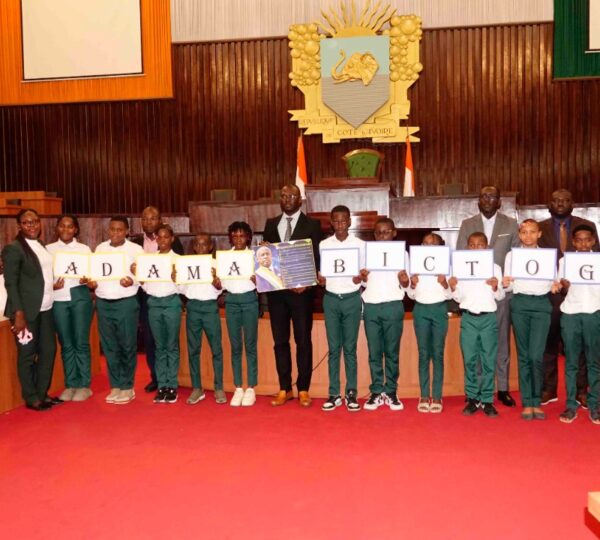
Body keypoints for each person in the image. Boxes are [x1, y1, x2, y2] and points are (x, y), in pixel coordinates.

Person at [456, 186, 519, 407]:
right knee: (476, 348)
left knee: (500, 343)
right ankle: (479, 391)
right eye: (483, 196)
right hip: (474, 292)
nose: (488, 199)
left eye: (492, 196)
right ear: (478, 200)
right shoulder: (467, 224)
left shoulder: (510, 224)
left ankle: (502, 388)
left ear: (499, 201)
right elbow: (460, 255)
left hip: (499, 293)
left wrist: (504, 282)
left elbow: (517, 257)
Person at [537, 188, 599, 407]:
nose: (560, 203)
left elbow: (594, 259)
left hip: (582, 295)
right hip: (550, 293)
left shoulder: (587, 226)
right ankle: (549, 389)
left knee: (580, 346)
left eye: (565, 200)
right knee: (549, 342)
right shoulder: (540, 228)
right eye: (556, 200)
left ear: (573, 203)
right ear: (549, 204)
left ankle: (582, 391)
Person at [262, 184, 322, 407]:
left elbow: (316, 258)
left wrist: (306, 283)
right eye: (284, 195)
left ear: (300, 200)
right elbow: (267, 258)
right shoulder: (270, 224)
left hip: (301, 293)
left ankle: (303, 389)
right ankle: (284, 388)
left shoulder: (312, 225)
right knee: (280, 342)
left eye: (292, 196)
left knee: (303, 340)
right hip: (276, 293)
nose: (287, 199)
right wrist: (263, 251)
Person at [1, 208, 59, 411]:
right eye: (26, 223)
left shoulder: (41, 246)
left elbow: (40, 276)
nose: (31, 225)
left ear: (39, 223)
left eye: (34, 221)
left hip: (46, 308)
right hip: (25, 312)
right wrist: (18, 314)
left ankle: (42, 393)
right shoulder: (13, 249)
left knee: (49, 351)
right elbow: (11, 283)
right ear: (19, 226)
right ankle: (31, 397)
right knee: (27, 354)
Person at [502, 220, 554, 420]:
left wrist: (555, 285)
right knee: (524, 356)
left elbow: (552, 283)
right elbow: (507, 286)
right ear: (519, 234)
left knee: (536, 356)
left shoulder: (547, 256)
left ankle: (537, 399)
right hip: (520, 304)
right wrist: (506, 282)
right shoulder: (511, 256)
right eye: (524, 232)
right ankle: (528, 402)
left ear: (539, 234)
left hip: (541, 305)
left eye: (532, 232)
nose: (528, 236)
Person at [88, 216, 143, 405]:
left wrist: (132, 280)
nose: (116, 233)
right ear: (108, 230)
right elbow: (95, 273)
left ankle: (128, 387)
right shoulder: (100, 248)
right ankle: (116, 386)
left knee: (127, 345)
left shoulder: (136, 250)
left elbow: (142, 274)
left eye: (120, 230)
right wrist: (92, 282)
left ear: (127, 231)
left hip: (126, 302)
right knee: (109, 346)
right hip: (103, 301)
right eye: (112, 229)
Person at [449, 232, 505, 417]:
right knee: (470, 360)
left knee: (489, 360)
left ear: (486, 247)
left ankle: (488, 399)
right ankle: (473, 398)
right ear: (467, 247)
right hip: (468, 318)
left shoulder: (494, 268)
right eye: (471, 244)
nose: (475, 247)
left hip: (488, 318)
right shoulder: (460, 269)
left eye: (479, 244)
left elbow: (500, 296)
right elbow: (457, 298)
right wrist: (454, 287)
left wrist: (496, 286)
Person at [131, 206, 184, 394]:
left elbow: (183, 283)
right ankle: (159, 381)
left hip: (170, 300)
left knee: (171, 344)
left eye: (153, 218)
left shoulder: (176, 254)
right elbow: (144, 283)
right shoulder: (143, 251)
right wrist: (140, 277)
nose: (162, 240)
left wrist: (176, 278)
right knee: (154, 342)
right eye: (145, 218)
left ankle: (172, 383)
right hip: (150, 301)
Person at [318, 205, 365, 412]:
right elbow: (323, 274)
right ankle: (334, 393)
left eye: (343, 220)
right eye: (335, 221)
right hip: (331, 299)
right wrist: (320, 279)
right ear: (331, 223)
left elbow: (364, 274)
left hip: (352, 299)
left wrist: (360, 278)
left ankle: (351, 392)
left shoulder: (361, 245)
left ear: (349, 222)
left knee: (350, 349)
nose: (339, 224)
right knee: (334, 348)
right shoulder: (324, 244)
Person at [360, 217, 409, 411]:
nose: (382, 236)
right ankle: (376, 391)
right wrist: (362, 277)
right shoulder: (366, 254)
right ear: (374, 234)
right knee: (374, 352)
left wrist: (404, 280)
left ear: (394, 232)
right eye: (379, 233)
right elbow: (362, 283)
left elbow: (407, 284)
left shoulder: (402, 254)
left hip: (393, 305)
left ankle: (391, 391)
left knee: (391, 352)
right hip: (371, 305)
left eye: (386, 232)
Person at [46, 215, 94, 402]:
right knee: (66, 343)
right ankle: (71, 384)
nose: (66, 229)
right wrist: (52, 285)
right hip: (58, 299)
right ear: (57, 228)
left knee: (81, 342)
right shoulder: (48, 250)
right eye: (62, 226)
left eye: (70, 226)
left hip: (79, 296)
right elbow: (43, 277)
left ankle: (84, 385)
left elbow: (91, 275)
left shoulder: (84, 249)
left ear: (76, 229)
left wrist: (87, 280)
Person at [555, 225, 600, 424]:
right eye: (579, 240)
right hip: (571, 314)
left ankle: (595, 404)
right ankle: (571, 405)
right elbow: (558, 286)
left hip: (593, 313)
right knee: (571, 363)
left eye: (587, 240)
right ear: (573, 242)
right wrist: (562, 286)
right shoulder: (565, 262)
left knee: (594, 362)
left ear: (593, 241)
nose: (583, 243)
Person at [406, 232, 452, 413]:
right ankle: (424, 394)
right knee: (424, 353)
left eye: (432, 244)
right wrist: (413, 284)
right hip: (421, 310)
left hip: (439, 309)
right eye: (425, 243)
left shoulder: (447, 265)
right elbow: (410, 294)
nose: (428, 247)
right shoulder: (415, 265)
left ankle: (437, 395)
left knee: (438, 354)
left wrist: (445, 283)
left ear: (440, 247)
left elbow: (451, 295)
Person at [181, 233, 226, 405]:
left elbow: (222, 287)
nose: (200, 248)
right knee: (193, 350)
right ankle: (197, 388)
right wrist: (175, 279)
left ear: (210, 247)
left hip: (210, 307)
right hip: (192, 307)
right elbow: (181, 289)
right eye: (197, 245)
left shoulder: (217, 265)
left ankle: (219, 387)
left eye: (204, 244)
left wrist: (218, 284)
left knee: (217, 349)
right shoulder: (187, 264)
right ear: (193, 247)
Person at [222, 221, 258, 407]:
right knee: (235, 346)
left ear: (248, 237)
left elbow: (266, 283)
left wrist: (258, 280)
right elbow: (219, 284)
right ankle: (238, 387)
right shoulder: (224, 257)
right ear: (230, 237)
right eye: (234, 236)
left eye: (241, 236)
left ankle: (251, 387)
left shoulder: (254, 256)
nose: (238, 239)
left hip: (250, 301)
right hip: (231, 302)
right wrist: (215, 282)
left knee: (250, 345)